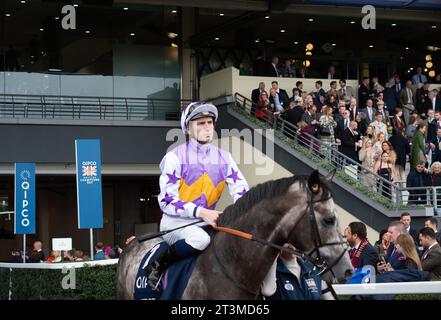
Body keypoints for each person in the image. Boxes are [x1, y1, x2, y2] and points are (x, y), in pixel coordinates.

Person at [145, 101, 249, 289]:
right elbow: (167, 202)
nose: (207, 128)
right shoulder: (174, 157)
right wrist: (201, 212)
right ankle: (159, 263)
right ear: (187, 129)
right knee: (200, 240)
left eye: (209, 122)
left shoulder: (225, 157)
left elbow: (241, 190)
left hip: (208, 220)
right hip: (175, 222)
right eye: (200, 123)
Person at [261, 243, 334, 300]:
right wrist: (274, 254)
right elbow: (267, 291)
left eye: (293, 241)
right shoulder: (273, 270)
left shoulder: (312, 269)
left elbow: (328, 297)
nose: (290, 245)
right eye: (285, 242)